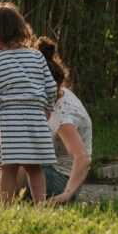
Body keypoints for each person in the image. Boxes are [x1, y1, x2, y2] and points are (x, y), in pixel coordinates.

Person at [0, 2, 57, 202]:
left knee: (8, 168)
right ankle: (41, 205)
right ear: (20, 29)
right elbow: (51, 87)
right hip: (35, 118)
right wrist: (47, 108)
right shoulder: (37, 56)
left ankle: (6, 208)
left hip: (9, 120)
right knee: (34, 168)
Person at [30, 37, 92, 204]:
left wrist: (66, 194)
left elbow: (83, 157)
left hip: (62, 179)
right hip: (46, 166)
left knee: (17, 165)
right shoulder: (57, 95)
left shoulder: (63, 117)